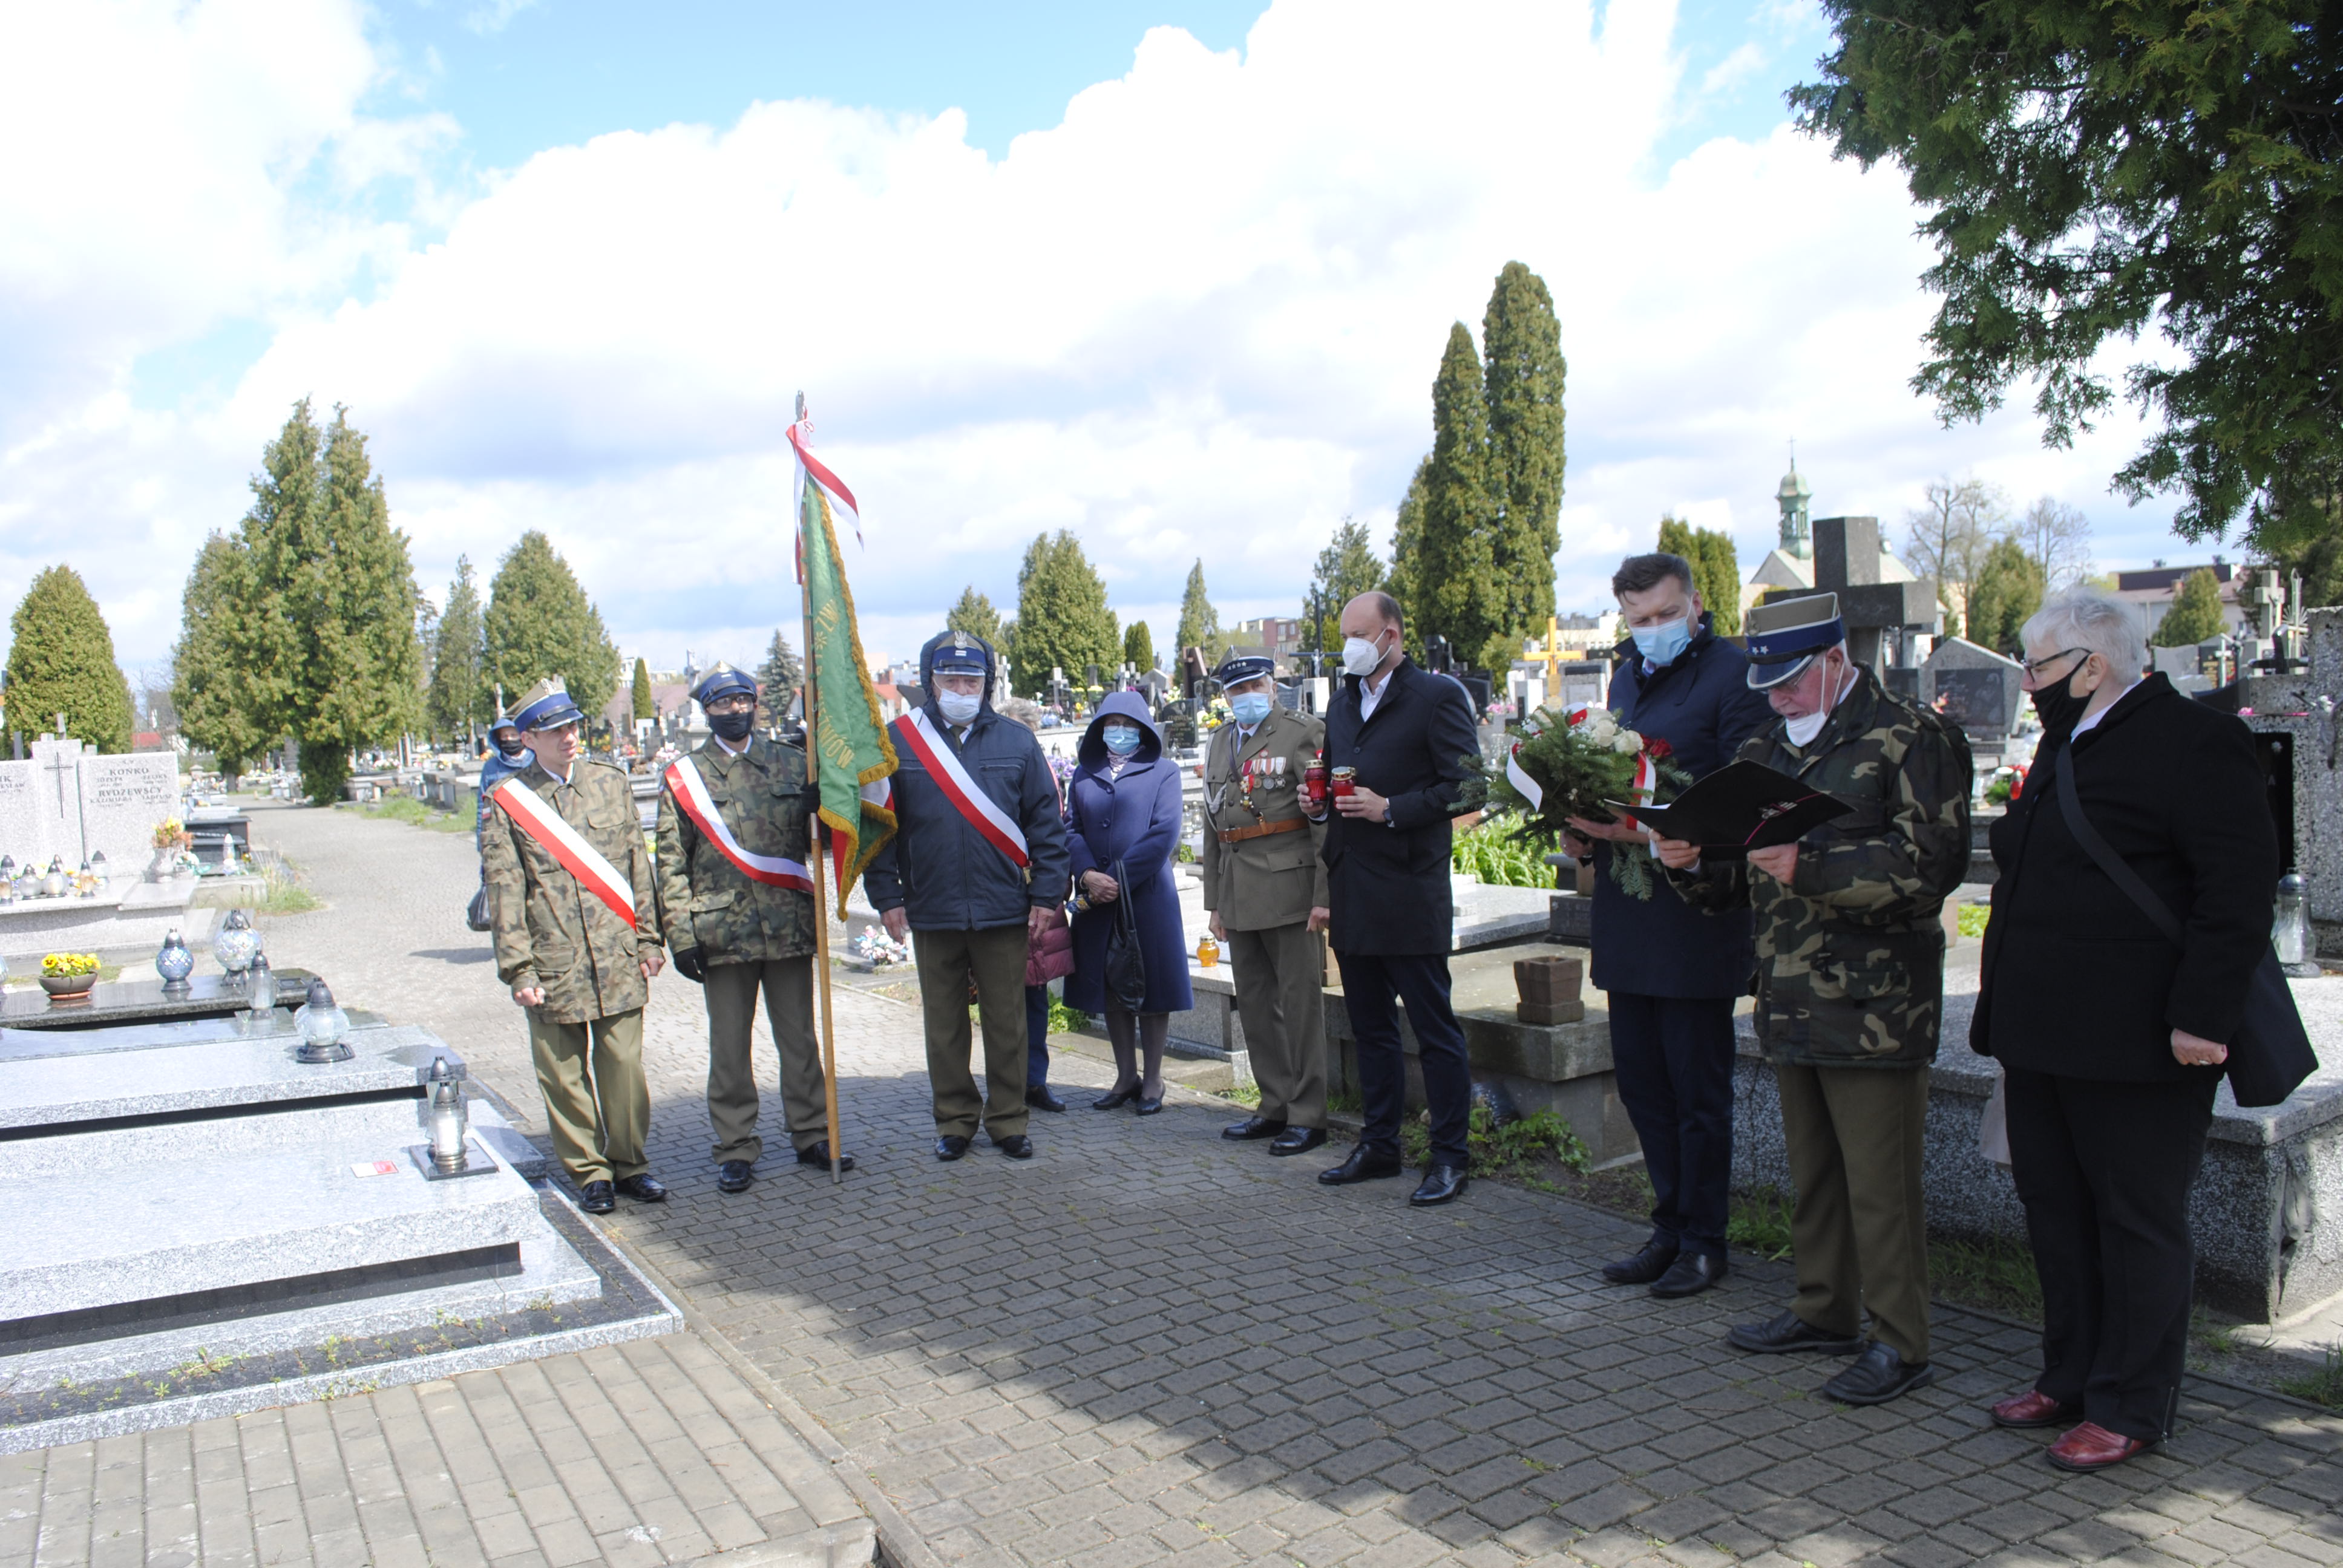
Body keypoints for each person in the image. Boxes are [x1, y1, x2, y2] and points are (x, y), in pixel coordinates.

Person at [1973, 589, 2276, 1471]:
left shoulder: (2196, 741)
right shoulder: (2069, 737)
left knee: (2137, 1223)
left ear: (2090, 665)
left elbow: (2236, 891)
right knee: (2057, 1214)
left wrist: (2202, 1019)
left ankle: (2132, 1403)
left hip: (2141, 1042)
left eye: (2037, 666)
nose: (2029, 683)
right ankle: (2069, 1376)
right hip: (2042, 1035)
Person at [1656, 592, 1970, 1404]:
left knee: (1880, 1182)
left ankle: (1902, 1341)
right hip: (1790, 995)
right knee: (1816, 1173)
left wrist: (1817, 869)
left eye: (1792, 679)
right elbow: (1739, 879)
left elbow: (1930, 871)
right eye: (1767, 681)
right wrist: (1690, 865)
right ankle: (1824, 1308)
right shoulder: (1766, 746)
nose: (1777, 695)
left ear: (1834, 662)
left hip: (1876, 1006)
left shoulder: (1909, 736)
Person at [1564, 554, 1774, 1298]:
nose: (1650, 630)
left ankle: (1706, 1240)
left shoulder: (1733, 674)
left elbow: (1739, 799)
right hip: (1628, 916)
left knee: (1696, 1091)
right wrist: (1579, 818)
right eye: (1636, 619)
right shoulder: (1624, 678)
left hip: (1696, 914)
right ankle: (1667, 1226)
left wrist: (1633, 833)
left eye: (1662, 615)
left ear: (1694, 604)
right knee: (1645, 1088)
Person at [865, 630, 1070, 1160]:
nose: (962, 687)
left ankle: (1008, 1120)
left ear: (987, 683)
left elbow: (1047, 827)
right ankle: (955, 1121)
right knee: (945, 1024)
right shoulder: (898, 743)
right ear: (931, 682)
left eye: (972, 680)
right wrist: (887, 896)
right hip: (931, 906)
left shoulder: (1016, 741)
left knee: (1008, 1021)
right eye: (951, 679)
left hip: (1003, 905)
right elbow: (880, 828)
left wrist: (1047, 896)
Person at [654, 662, 851, 1195]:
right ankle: (736, 1147)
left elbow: (820, 839)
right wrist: (681, 936)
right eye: (722, 704)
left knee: (800, 1041)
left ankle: (812, 1135)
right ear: (707, 711)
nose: (734, 712)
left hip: (787, 925)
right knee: (729, 1048)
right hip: (722, 932)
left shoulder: (793, 764)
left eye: (742, 702)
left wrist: (822, 809)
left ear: (755, 705)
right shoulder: (684, 778)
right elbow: (669, 863)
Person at [1316, 592, 1481, 1206]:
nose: (1348, 647)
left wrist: (1393, 810)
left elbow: (1467, 786)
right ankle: (1379, 1145)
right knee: (1370, 1028)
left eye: (1358, 635)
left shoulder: (1435, 697)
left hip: (1410, 888)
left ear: (1390, 633)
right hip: (1353, 885)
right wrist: (1318, 803)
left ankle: (1448, 1157)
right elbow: (1335, 773)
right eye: (1343, 637)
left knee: (1433, 1030)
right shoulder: (1341, 701)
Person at [480, 678, 669, 1215]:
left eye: (572, 726)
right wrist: (518, 970)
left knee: (623, 1068)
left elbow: (638, 864)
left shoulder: (610, 783)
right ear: (527, 739)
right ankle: (590, 1173)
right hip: (553, 959)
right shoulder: (511, 802)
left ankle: (631, 1164)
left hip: (615, 955)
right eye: (555, 730)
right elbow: (506, 888)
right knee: (563, 1075)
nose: (569, 737)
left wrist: (649, 938)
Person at [1201, 655, 1331, 1156]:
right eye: (1237, 690)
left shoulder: (1302, 732)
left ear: (1272, 687)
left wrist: (1324, 897)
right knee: (1256, 1006)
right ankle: (1273, 1105)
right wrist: (1215, 902)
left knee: (1299, 1006)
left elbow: (1322, 819)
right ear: (1227, 697)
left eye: (1256, 685)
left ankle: (1308, 1115)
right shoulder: (1218, 742)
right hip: (1237, 890)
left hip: (1289, 889)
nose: (1247, 695)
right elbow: (1216, 829)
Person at [1063, 692, 1193, 1112]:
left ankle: (1154, 1080)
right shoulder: (1084, 774)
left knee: (1150, 984)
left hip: (1147, 897)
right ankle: (1125, 1076)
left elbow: (1165, 833)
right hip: (1097, 898)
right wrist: (1086, 875)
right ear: (1099, 729)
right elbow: (1071, 829)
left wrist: (1117, 878)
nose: (1118, 731)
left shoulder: (1164, 772)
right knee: (1110, 985)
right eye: (1110, 723)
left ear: (1142, 728)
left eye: (1127, 723)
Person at [999, 696, 1070, 1113]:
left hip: (1038, 894)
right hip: (1000, 892)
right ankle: (1006, 1082)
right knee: (1001, 993)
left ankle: (1035, 1081)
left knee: (1036, 991)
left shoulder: (1044, 770)